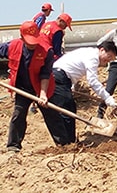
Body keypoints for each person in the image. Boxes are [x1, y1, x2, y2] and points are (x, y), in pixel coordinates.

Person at [0, 21, 72, 152]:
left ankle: (64, 145)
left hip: (41, 87)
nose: (33, 45)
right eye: (29, 42)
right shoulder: (12, 46)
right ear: (22, 37)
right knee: (18, 114)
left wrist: (43, 94)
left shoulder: (46, 50)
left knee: (52, 115)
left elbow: (45, 74)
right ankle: (13, 146)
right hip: (22, 88)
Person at [51, 41, 117, 142]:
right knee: (67, 110)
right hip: (59, 76)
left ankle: (69, 140)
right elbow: (92, 81)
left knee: (69, 108)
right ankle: (67, 143)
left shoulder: (88, 52)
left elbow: (73, 67)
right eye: (109, 56)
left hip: (62, 77)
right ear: (102, 50)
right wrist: (107, 97)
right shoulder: (93, 57)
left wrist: (71, 87)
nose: (107, 61)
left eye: (110, 60)